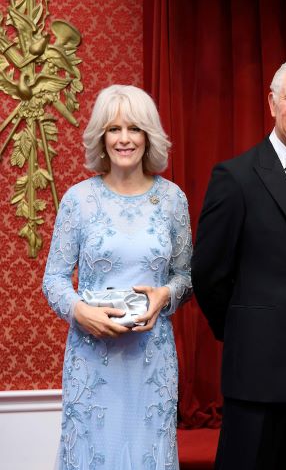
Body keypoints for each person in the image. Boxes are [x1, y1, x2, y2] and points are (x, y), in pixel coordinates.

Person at [191, 57, 286, 470]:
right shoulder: (235, 176)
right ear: (272, 103)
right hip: (255, 373)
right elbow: (208, 275)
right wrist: (247, 330)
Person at [42, 84, 193, 469]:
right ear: (101, 137)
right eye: (114, 129)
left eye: (134, 128)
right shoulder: (78, 200)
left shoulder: (173, 199)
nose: (124, 138)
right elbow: (54, 278)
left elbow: (185, 277)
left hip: (152, 359)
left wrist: (165, 296)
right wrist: (79, 311)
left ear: (148, 136)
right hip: (92, 360)